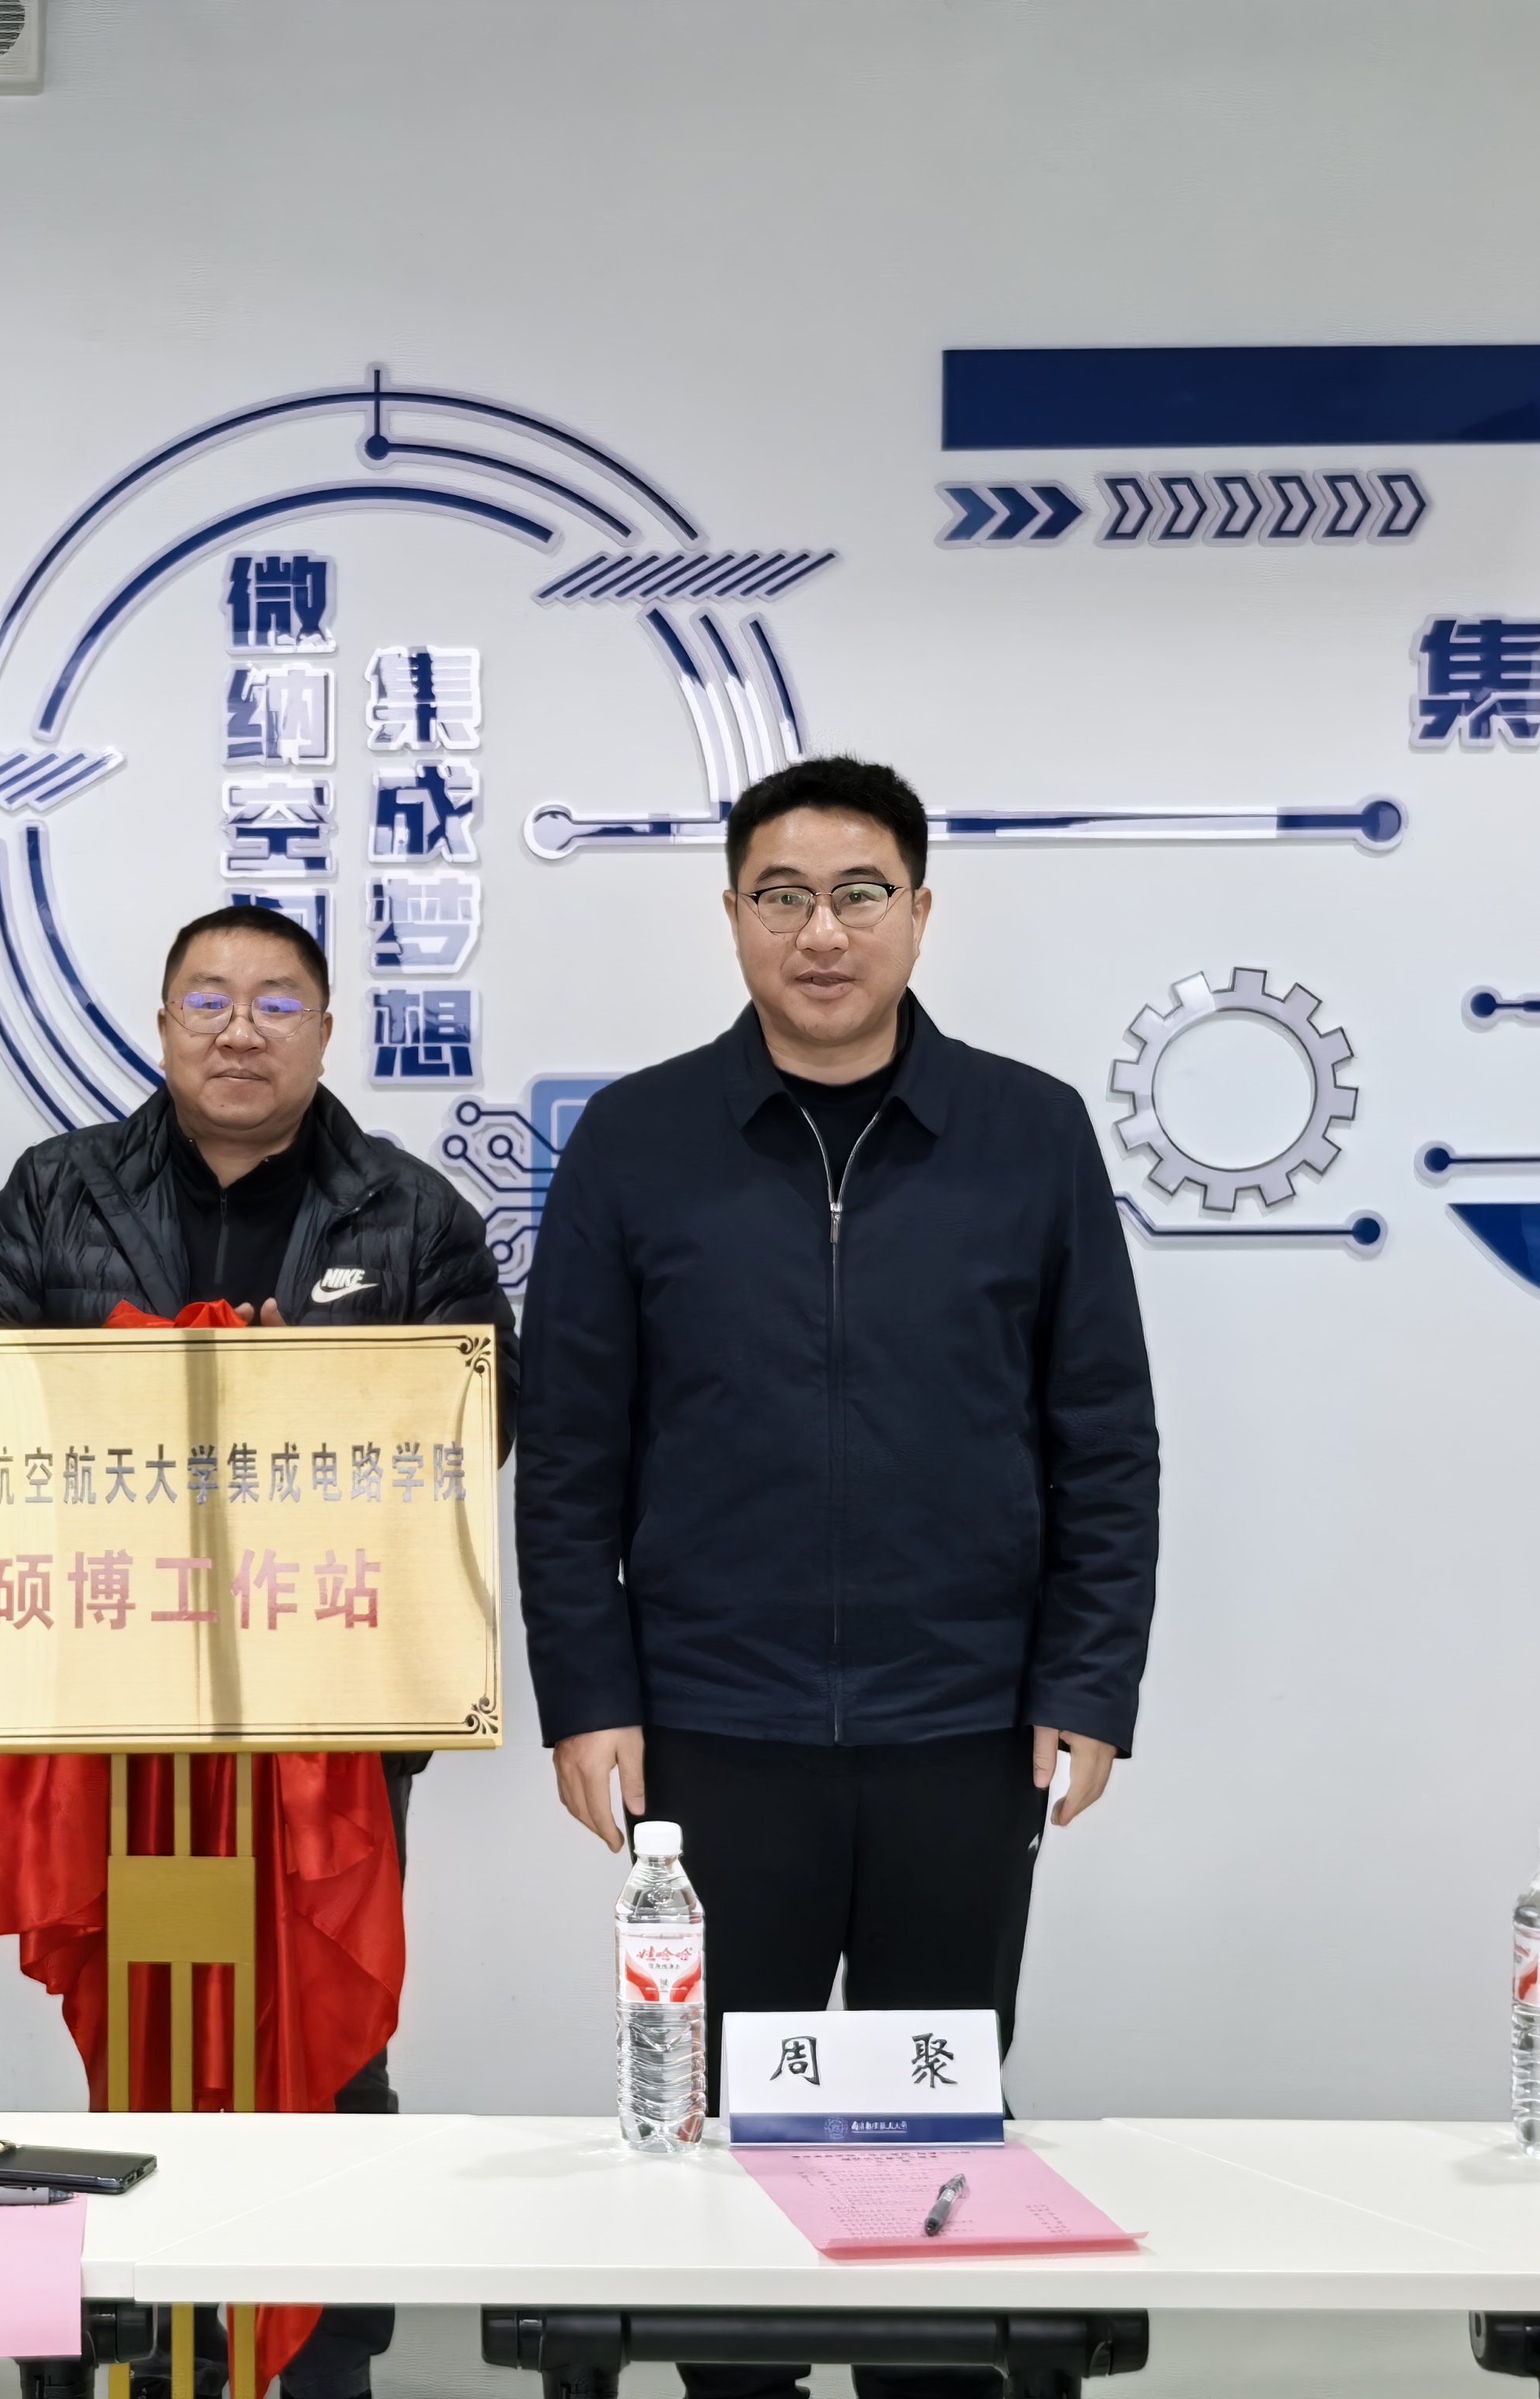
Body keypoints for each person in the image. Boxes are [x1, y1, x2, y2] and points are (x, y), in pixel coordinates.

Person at [516, 757, 1159, 2399]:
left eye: (860, 894)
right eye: (783, 897)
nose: (822, 933)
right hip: (710, 1730)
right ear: (731, 916)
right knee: (725, 2137)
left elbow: (1101, 1438)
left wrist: (1084, 1683)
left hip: (963, 1722)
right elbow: (571, 1452)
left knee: (931, 2137)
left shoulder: (1028, 1133)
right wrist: (586, 1695)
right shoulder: (636, 1141)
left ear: (920, 913)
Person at [0, 902, 512, 2399]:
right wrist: (144, 1376)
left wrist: (290, 1394)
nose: (240, 1030)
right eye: (208, 999)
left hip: (328, 1711)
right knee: (140, 2024)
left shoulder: (412, 1213)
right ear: (162, 1024)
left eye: (275, 1002)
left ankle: (320, 2354)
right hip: (116, 1710)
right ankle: (136, 2340)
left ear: (326, 1030)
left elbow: (482, 1422)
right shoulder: (58, 1190)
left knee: (324, 2022)